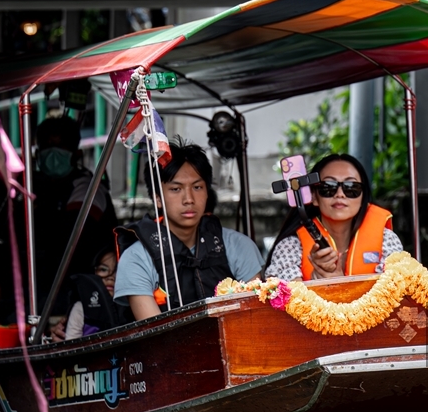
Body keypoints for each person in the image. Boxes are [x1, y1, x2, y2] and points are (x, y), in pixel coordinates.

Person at [114, 142, 263, 321]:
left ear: (208, 192)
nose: (189, 199)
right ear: (158, 198)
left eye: (197, 187)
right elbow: (155, 335)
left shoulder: (240, 247)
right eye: (176, 189)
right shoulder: (136, 259)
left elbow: (255, 318)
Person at [264, 153, 402, 281]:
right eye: (328, 187)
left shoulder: (387, 241)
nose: (340, 194)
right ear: (313, 196)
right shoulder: (290, 247)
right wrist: (316, 284)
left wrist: (340, 286)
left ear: (363, 197)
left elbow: (393, 296)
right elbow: (285, 301)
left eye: (351, 187)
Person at [32, 116, 118, 310]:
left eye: (60, 146)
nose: (53, 153)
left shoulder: (87, 187)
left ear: (76, 154)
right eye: (47, 146)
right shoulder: (35, 186)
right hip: (45, 283)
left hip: (83, 285)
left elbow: (72, 232)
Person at [64, 247, 130, 339]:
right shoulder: (81, 308)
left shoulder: (133, 306)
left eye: (117, 271)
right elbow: (70, 347)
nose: (110, 277)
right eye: (103, 269)